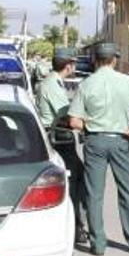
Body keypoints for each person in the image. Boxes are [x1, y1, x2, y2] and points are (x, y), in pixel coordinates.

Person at [68, 43, 129, 256]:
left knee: (94, 194)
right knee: (128, 191)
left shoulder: (86, 84)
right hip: (121, 141)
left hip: (95, 142)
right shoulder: (127, 81)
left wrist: (91, 126)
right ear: (114, 59)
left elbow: (73, 122)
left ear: (95, 60)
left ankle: (98, 244)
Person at [38, 47, 88, 244]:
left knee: (77, 176)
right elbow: (66, 114)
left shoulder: (54, 82)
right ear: (68, 66)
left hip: (59, 135)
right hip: (57, 136)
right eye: (73, 63)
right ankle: (75, 227)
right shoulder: (51, 84)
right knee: (75, 180)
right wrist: (86, 124)